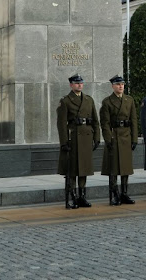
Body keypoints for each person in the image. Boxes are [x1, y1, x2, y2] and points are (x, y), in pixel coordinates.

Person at [56, 73, 100, 208]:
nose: (79, 85)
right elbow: (61, 123)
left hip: (86, 138)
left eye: (81, 83)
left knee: (84, 169)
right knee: (73, 170)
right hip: (73, 139)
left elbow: (95, 121)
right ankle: (73, 196)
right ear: (71, 85)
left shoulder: (88, 100)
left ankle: (82, 196)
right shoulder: (65, 101)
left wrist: (97, 137)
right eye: (76, 83)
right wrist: (64, 142)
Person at [100, 75, 138, 206]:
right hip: (114, 136)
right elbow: (104, 123)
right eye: (118, 84)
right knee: (114, 168)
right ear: (112, 86)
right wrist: (108, 139)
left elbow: (133, 120)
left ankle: (124, 193)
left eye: (122, 84)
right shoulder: (107, 102)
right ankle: (114, 193)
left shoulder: (129, 100)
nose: (121, 86)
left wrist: (134, 138)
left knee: (125, 167)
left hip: (126, 136)